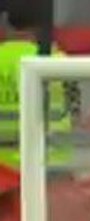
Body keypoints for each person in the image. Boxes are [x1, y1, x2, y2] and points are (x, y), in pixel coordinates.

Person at [0, 0, 71, 172]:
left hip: (4, 170)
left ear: (6, 21)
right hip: (52, 166)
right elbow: (75, 111)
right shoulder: (59, 61)